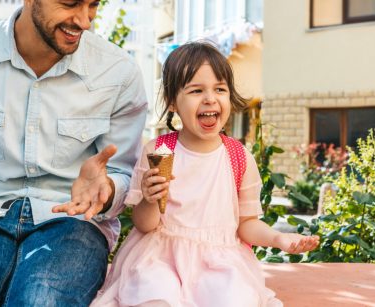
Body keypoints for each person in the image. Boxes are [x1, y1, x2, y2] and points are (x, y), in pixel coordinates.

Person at [0, 0, 147, 305]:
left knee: (41, 300)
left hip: (72, 222)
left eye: (92, 5)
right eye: (70, 4)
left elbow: (122, 176)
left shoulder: (119, 72)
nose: (85, 21)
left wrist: (106, 189)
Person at [91, 41, 320, 307]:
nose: (210, 98)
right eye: (196, 90)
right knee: (153, 295)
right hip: (160, 258)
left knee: (234, 298)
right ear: (172, 102)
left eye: (220, 89)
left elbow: (246, 224)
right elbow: (144, 224)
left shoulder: (238, 157)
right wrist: (149, 199)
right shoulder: (160, 151)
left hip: (218, 262)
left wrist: (278, 238)